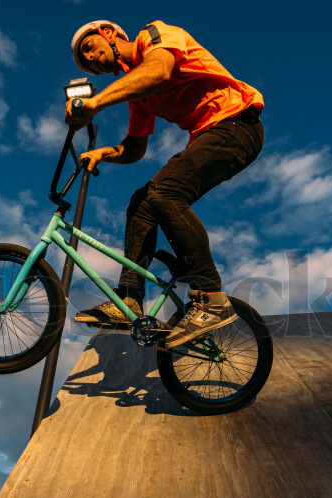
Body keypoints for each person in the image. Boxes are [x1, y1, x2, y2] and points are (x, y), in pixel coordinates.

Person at [65, 20, 265, 348]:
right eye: (88, 65)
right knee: (143, 202)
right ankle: (129, 299)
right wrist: (103, 154)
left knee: (166, 193)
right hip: (210, 135)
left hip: (236, 124)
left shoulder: (153, 36)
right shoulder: (138, 97)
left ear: (110, 34)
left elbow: (157, 71)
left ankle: (212, 298)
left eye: (90, 49)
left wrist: (95, 103)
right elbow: (135, 148)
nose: (93, 62)